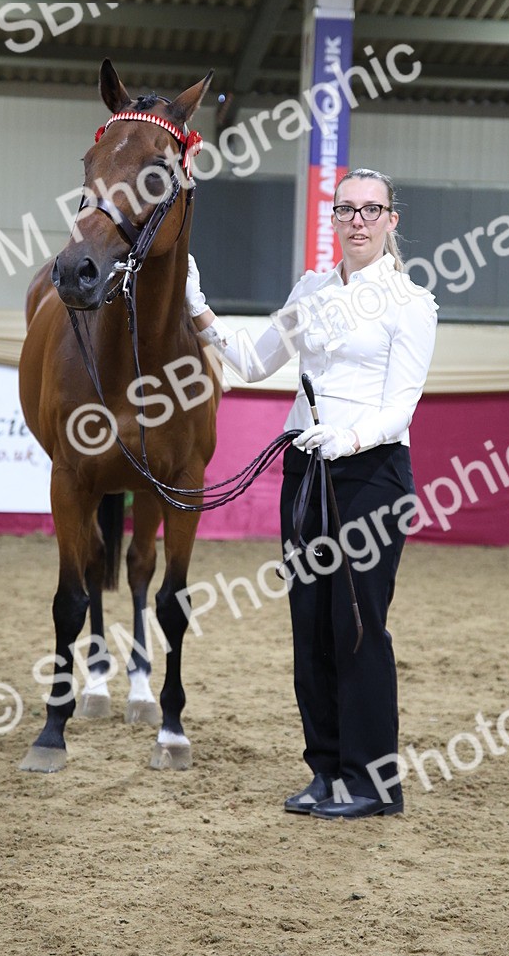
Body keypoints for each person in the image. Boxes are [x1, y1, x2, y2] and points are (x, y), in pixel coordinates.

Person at [186, 168, 438, 819]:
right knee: (310, 627)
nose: (357, 220)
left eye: (370, 210)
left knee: (358, 629)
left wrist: (349, 439)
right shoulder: (312, 289)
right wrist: (198, 306)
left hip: (371, 475)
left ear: (391, 221)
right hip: (306, 472)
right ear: (333, 218)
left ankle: (373, 784)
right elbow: (253, 359)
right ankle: (326, 771)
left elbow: (401, 406)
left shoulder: (412, 303)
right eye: (346, 209)